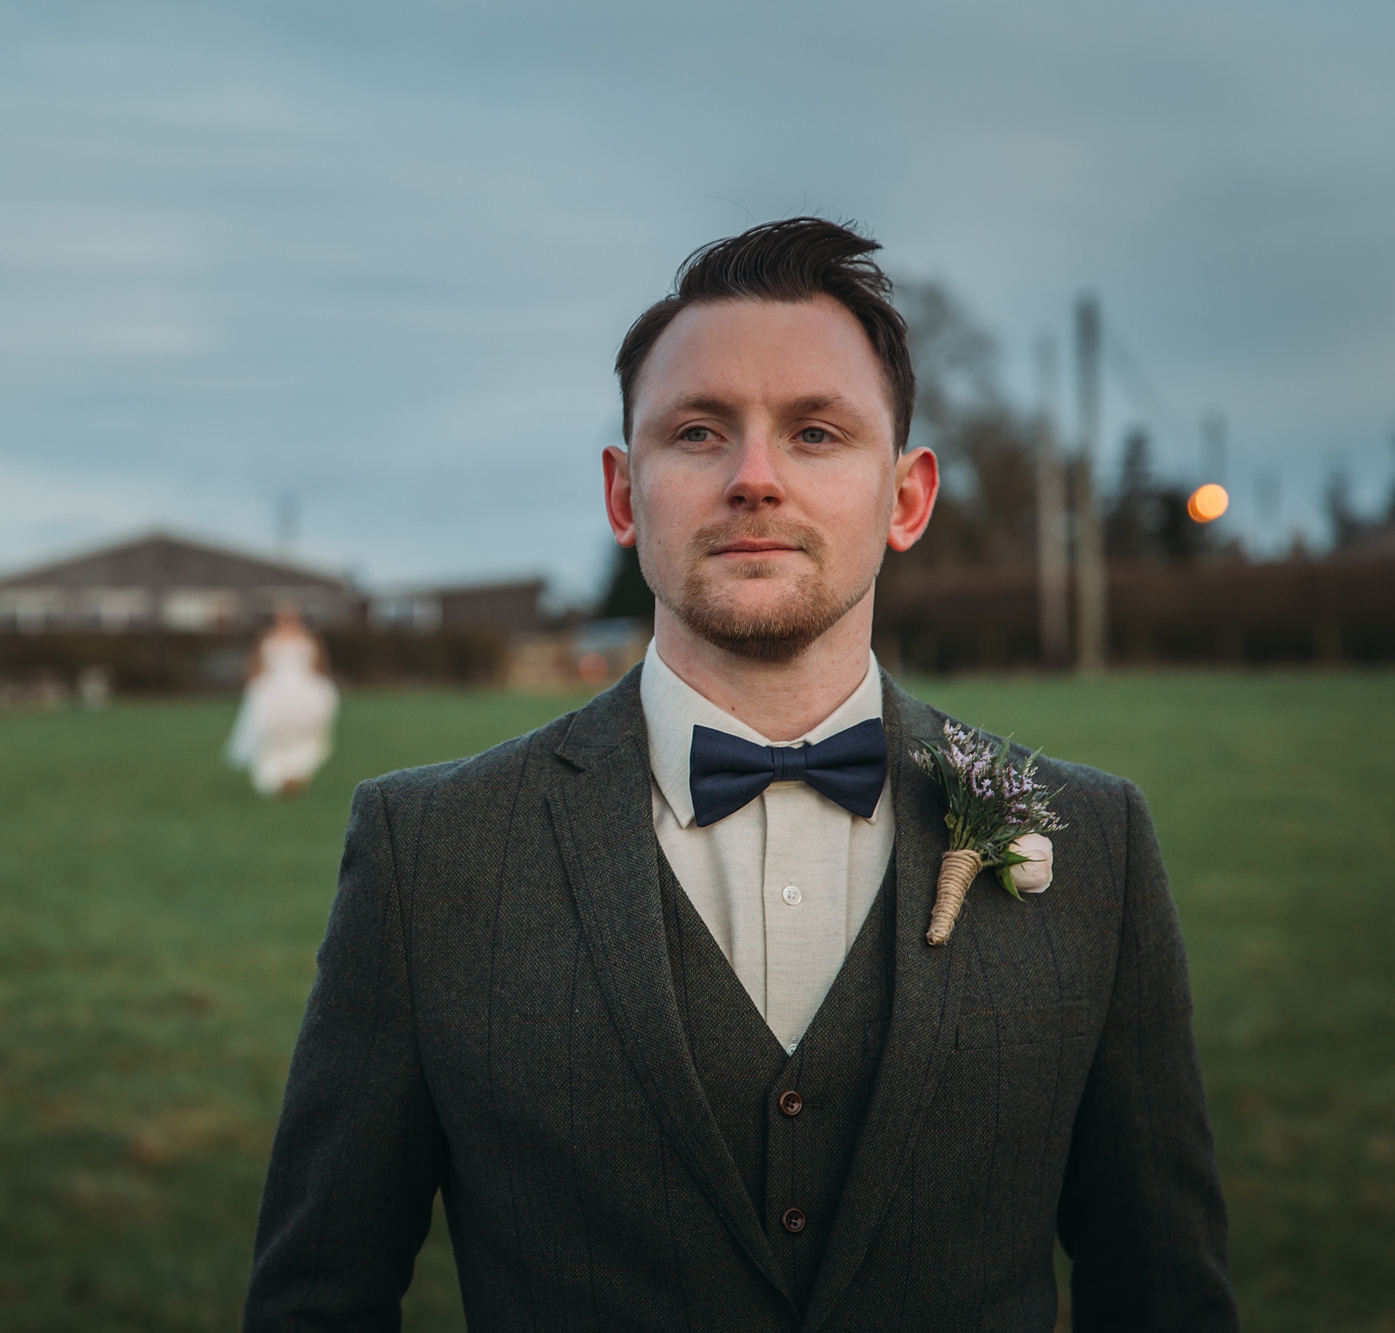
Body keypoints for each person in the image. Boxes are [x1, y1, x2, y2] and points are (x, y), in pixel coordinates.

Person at [244, 219, 1236, 1330]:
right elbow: (315, 1300)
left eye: (814, 433)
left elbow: (1163, 1295)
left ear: (904, 498)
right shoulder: (426, 851)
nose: (753, 478)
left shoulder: (1094, 843)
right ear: (624, 496)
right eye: (699, 431)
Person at [226, 606, 338, 797]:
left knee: (304, 730)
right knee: (273, 731)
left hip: (303, 691)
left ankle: (296, 771)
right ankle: (274, 775)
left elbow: (317, 664)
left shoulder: (309, 638)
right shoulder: (267, 638)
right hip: (275, 690)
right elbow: (258, 665)